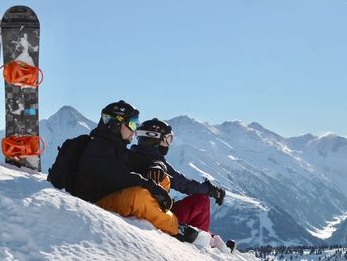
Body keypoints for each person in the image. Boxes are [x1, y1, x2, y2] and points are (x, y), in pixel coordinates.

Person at [74, 101, 198, 242]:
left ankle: (158, 213)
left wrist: (156, 166)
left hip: (113, 195)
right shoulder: (98, 147)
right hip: (97, 202)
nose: (135, 130)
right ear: (115, 123)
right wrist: (151, 186)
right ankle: (176, 228)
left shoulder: (117, 147)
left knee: (162, 179)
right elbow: (119, 175)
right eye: (132, 124)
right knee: (138, 196)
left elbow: (141, 161)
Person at [130, 118, 234, 251]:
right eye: (167, 139)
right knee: (201, 202)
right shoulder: (156, 163)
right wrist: (210, 190)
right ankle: (204, 243)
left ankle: (209, 238)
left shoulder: (129, 156)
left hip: (148, 209)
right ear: (156, 139)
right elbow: (183, 184)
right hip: (157, 215)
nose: (168, 144)